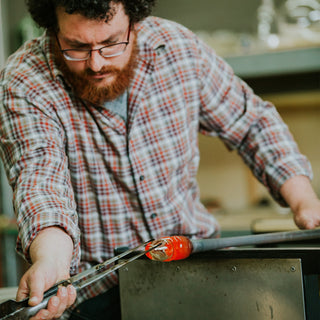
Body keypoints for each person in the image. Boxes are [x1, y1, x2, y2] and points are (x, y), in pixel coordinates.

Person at [1, 0, 320, 319]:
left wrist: (304, 201)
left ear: (134, 21)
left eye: (111, 43)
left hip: (199, 273)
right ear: (53, 29)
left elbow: (252, 124)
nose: (96, 64)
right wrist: (52, 262)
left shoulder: (177, 49)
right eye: (76, 46)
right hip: (94, 297)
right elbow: (41, 180)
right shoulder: (26, 79)